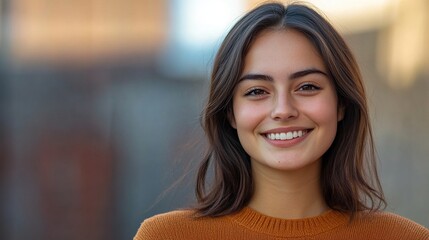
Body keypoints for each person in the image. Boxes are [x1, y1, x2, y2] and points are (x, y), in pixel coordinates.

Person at [134, 2, 429, 239]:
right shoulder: (166, 236)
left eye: (307, 87)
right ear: (230, 113)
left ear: (341, 104)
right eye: (257, 91)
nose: (283, 109)